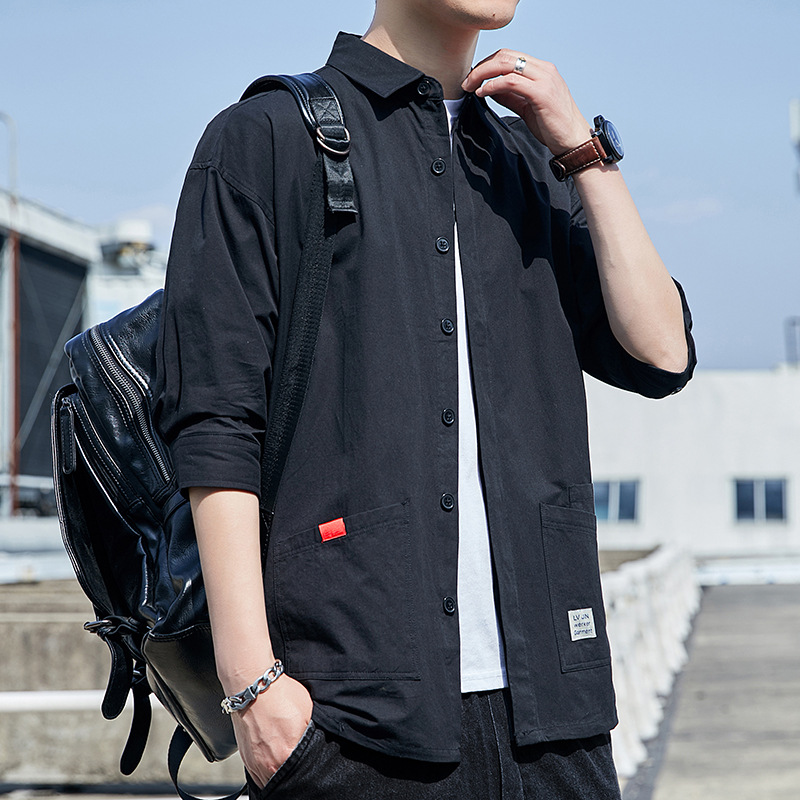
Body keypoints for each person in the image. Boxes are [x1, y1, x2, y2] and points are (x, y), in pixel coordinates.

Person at [153, 1, 696, 797]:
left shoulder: (527, 153)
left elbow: (662, 353)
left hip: (555, 711)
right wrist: (253, 690)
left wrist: (584, 154)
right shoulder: (265, 138)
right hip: (352, 718)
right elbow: (216, 420)